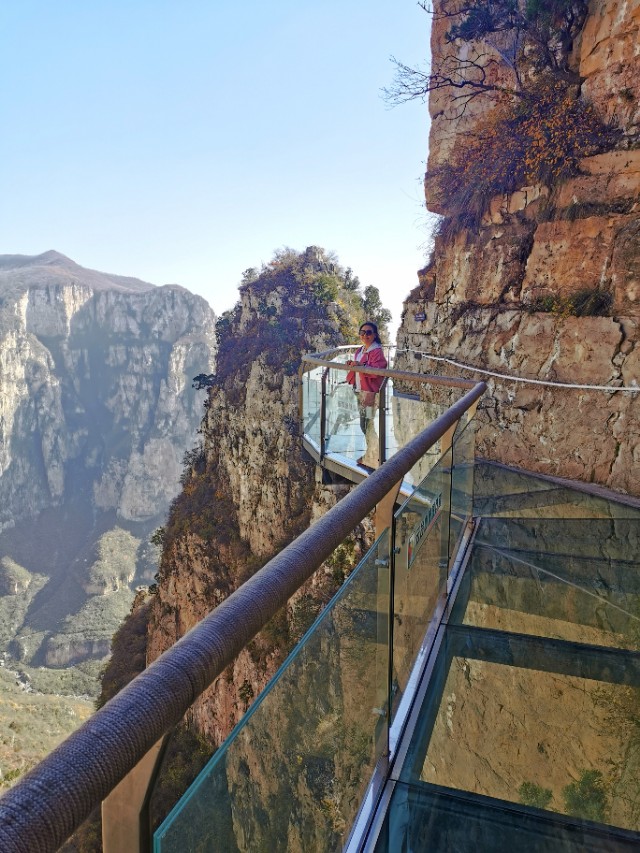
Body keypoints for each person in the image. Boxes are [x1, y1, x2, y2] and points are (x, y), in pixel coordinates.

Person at [345, 322, 388, 468]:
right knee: (365, 424)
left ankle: (374, 455)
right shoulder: (361, 350)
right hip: (360, 392)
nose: (365, 335)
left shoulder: (376, 351)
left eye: (368, 332)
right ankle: (372, 454)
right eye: (362, 332)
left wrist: (360, 365)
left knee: (367, 424)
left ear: (375, 335)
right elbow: (359, 366)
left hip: (369, 394)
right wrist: (353, 363)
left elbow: (378, 370)